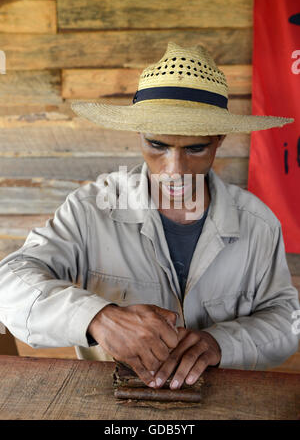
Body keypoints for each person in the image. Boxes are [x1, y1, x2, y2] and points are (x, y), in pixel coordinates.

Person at [0, 42, 299, 391]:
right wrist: (97, 317)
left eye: (195, 148)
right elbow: (8, 286)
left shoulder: (257, 224)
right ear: (139, 135)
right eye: (157, 145)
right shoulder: (90, 210)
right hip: (111, 407)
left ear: (219, 139)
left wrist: (223, 343)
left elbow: (287, 320)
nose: (174, 170)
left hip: (226, 406)